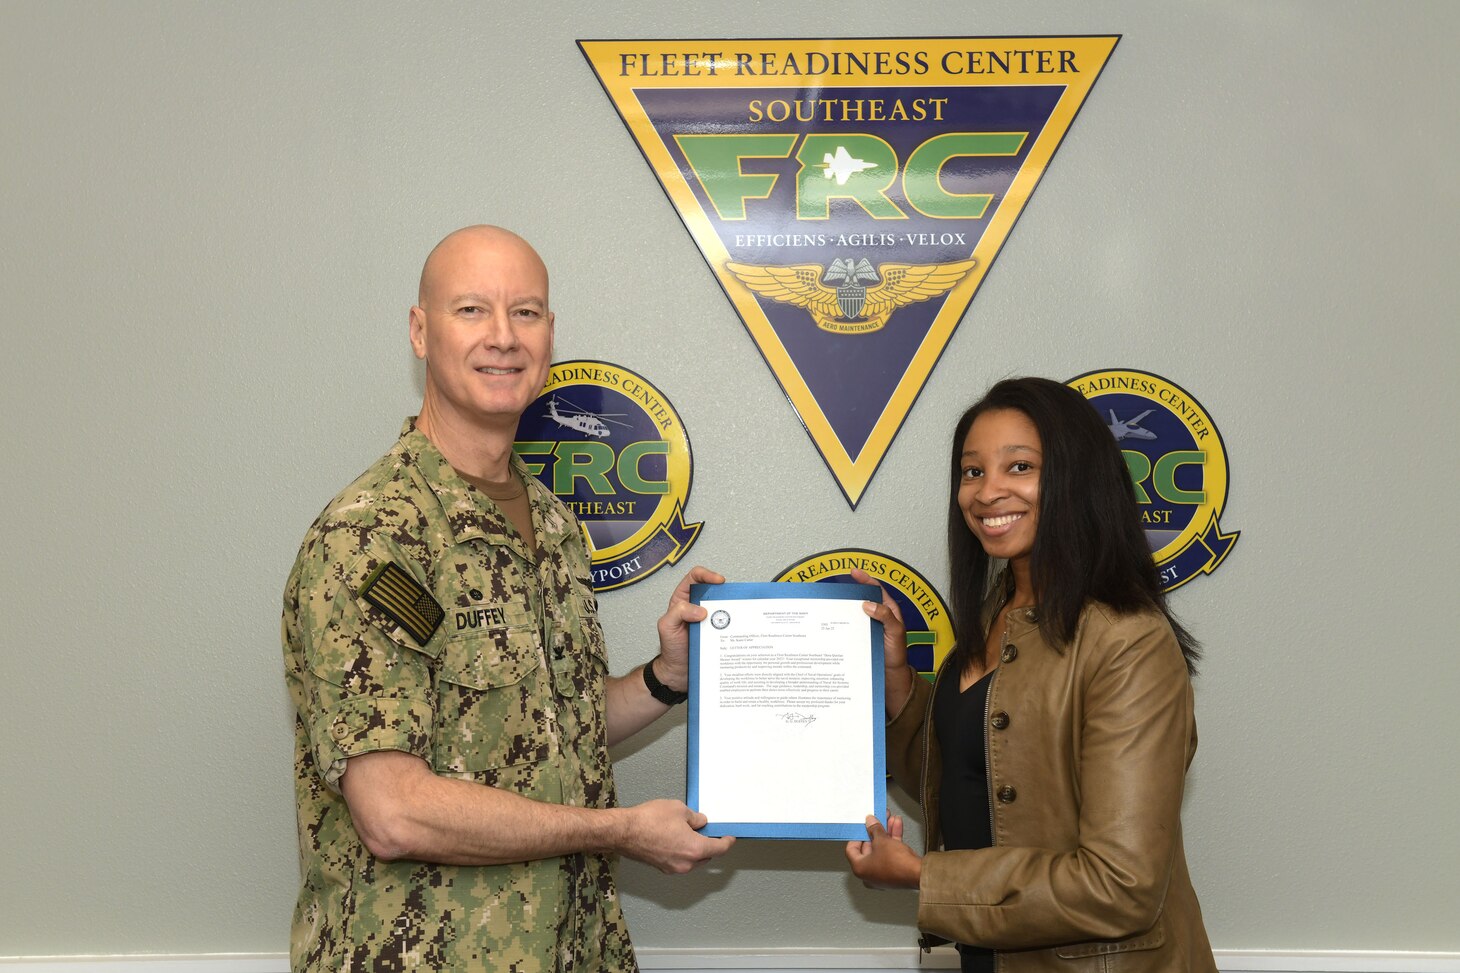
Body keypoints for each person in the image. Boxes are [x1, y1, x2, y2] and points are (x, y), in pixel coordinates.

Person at [282, 225, 734, 973]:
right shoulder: (371, 536)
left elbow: (549, 737)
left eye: (525, 312)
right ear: (420, 331)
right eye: (471, 310)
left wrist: (666, 677)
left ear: (551, 334)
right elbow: (392, 810)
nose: (503, 336)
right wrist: (618, 829)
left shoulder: (552, 522)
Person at [845, 377, 1217, 972]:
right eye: (972, 472)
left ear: (1077, 479)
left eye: (1019, 467)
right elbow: (972, 787)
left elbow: (1120, 886)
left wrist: (923, 876)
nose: (988, 492)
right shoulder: (996, 616)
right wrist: (896, 680)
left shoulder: (1128, 641)